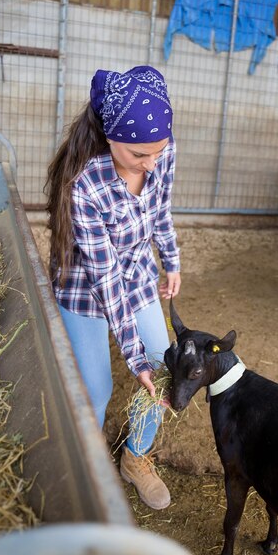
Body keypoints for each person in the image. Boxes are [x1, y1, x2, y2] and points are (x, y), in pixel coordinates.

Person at [45, 66, 181, 510]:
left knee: (164, 370)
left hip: (139, 275)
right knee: (96, 389)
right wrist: (132, 356)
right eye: (140, 155)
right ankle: (90, 463)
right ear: (110, 135)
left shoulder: (159, 151)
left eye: (158, 153)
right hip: (84, 290)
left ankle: (135, 459)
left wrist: (170, 261)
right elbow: (106, 281)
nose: (152, 163)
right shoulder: (85, 185)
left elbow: (160, 209)